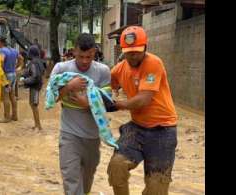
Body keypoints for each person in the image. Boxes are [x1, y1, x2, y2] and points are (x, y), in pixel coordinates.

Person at [107, 26, 178, 195]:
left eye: (137, 51)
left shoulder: (153, 63)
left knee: (157, 188)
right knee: (117, 166)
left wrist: (116, 104)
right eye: (129, 52)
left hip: (163, 131)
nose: (133, 56)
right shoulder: (119, 69)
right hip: (137, 128)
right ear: (123, 51)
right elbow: (106, 85)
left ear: (145, 47)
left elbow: (143, 100)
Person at [49, 33, 111, 195]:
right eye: (81, 56)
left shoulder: (103, 71)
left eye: (89, 57)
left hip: (92, 137)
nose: (84, 61)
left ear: (95, 52)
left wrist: (88, 103)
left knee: (87, 179)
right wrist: (69, 86)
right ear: (74, 51)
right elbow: (52, 98)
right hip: (69, 135)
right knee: (71, 180)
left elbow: (107, 102)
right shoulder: (62, 69)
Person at [20, 45, 45, 131]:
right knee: (33, 104)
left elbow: (35, 76)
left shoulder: (34, 63)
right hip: (36, 85)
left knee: (34, 105)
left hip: (35, 86)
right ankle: (37, 124)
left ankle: (38, 126)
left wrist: (25, 80)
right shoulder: (38, 61)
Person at [0, 40, 19, 122]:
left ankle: (6, 117)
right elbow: (21, 58)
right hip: (13, 74)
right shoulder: (14, 50)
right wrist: (18, 67)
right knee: (12, 95)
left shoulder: (2, 50)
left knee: (5, 96)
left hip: (6, 75)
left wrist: (1, 70)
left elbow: (2, 60)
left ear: (2, 44)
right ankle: (15, 115)